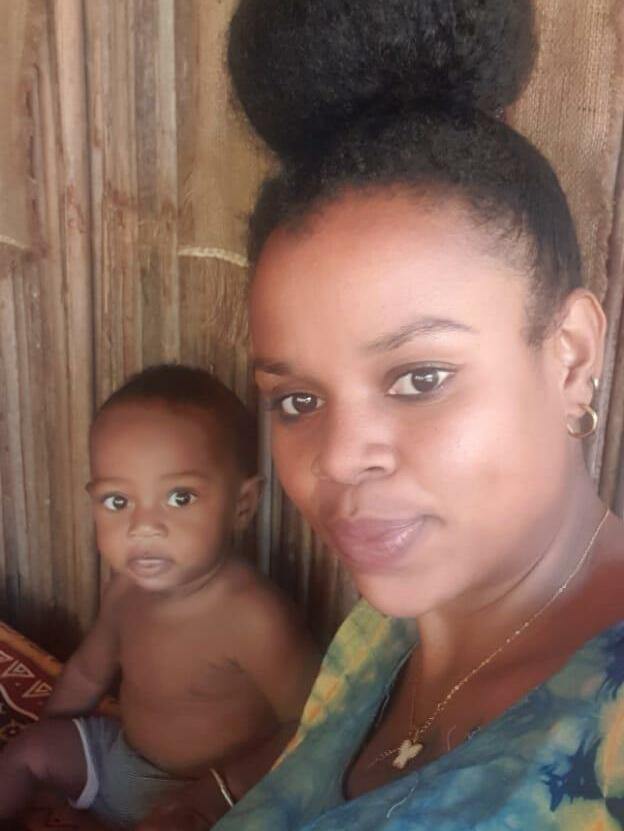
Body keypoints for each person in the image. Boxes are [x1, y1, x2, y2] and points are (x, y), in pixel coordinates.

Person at [213, 0, 624, 828]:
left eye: (419, 377)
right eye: (298, 400)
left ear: (572, 357)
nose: (338, 458)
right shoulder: (393, 619)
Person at [0, 364, 320, 830]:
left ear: (242, 506)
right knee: (28, 751)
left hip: (202, 800)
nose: (142, 526)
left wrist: (219, 793)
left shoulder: (255, 616)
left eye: (179, 498)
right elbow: (88, 672)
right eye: (117, 501)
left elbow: (314, 726)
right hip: (120, 760)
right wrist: (50, 741)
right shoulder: (124, 589)